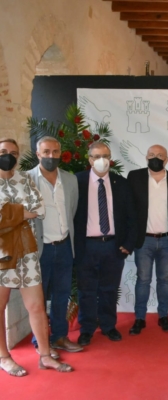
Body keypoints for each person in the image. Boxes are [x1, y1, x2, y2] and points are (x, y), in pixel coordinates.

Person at [0, 138, 72, 376]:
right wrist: (21, 213)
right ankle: (4, 357)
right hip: (1, 252)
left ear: (19, 155)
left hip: (27, 252)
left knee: (37, 306)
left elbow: (39, 208)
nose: (7, 155)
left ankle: (44, 355)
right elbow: (25, 211)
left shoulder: (25, 179)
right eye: (3, 152)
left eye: (12, 152)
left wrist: (8, 213)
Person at [74, 142, 136, 346]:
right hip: (86, 246)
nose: (102, 160)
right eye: (97, 156)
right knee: (86, 290)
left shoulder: (121, 183)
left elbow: (131, 217)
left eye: (106, 156)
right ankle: (87, 329)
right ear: (89, 159)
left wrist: (128, 244)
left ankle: (109, 326)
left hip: (113, 245)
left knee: (109, 289)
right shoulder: (77, 182)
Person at [28, 137, 82, 354]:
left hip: (64, 247)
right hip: (40, 249)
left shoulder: (70, 180)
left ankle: (60, 337)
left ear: (61, 153)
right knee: (37, 299)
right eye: (46, 152)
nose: (51, 156)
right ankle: (39, 343)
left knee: (62, 294)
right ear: (38, 154)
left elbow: (73, 210)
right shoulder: (26, 179)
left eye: (55, 152)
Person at [127, 144, 168, 335]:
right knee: (143, 280)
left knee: (164, 280)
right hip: (143, 241)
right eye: (152, 154)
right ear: (146, 156)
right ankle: (139, 318)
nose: (155, 158)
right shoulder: (134, 177)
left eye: (160, 155)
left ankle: (163, 316)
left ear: (166, 159)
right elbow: (129, 211)